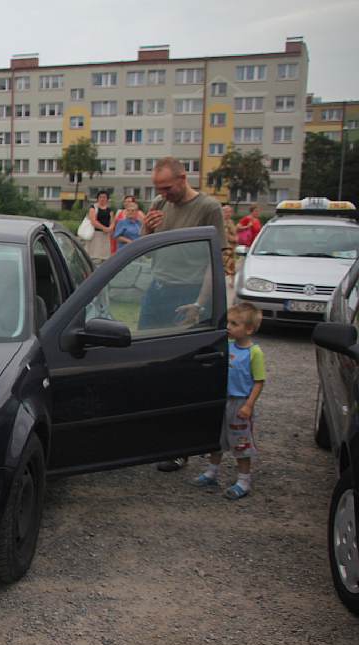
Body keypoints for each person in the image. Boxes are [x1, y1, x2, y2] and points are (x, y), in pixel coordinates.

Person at [141, 157, 225, 472]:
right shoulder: (160, 203)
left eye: (166, 186)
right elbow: (145, 249)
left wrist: (200, 304)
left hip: (186, 294)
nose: (163, 193)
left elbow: (212, 261)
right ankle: (146, 434)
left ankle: (178, 447)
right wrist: (145, 230)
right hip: (157, 291)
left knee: (180, 372)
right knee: (146, 364)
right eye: (157, 188)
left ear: (183, 178)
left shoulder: (208, 209)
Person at [191, 303, 265, 500]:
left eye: (235, 323)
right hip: (221, 400)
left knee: (240, 442)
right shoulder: (228, 346)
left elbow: (259, 382)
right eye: (228, 322)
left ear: (249, 329)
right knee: (216, 437)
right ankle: (212, 472)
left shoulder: (254, 353)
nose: (229, 327)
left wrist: (249, 405)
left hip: (239, 404)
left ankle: (243, 480)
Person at [85, 191, 113, 263]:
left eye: (104, 197)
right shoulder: (93, 208)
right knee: (94, 256)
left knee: (105, 257)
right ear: (97, 198)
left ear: (107, 199)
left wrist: (110, 228)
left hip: (105, 236)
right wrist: (104, 228)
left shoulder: (109, 210)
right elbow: (93, 221)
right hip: (95, 235)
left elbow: (112, 221)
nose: (102, 199)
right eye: (100, 197)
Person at [222, 204, 239, 304]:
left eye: (229, 212)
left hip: (232, 248)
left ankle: (232, 281)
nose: (228, 214)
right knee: (225, 266)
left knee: (232, 265)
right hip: (225, 248)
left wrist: (236, 238)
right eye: (226, 212)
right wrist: (234, 238)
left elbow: (235, 232)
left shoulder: (231, 222)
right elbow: (226, 235)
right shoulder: (222, 223)